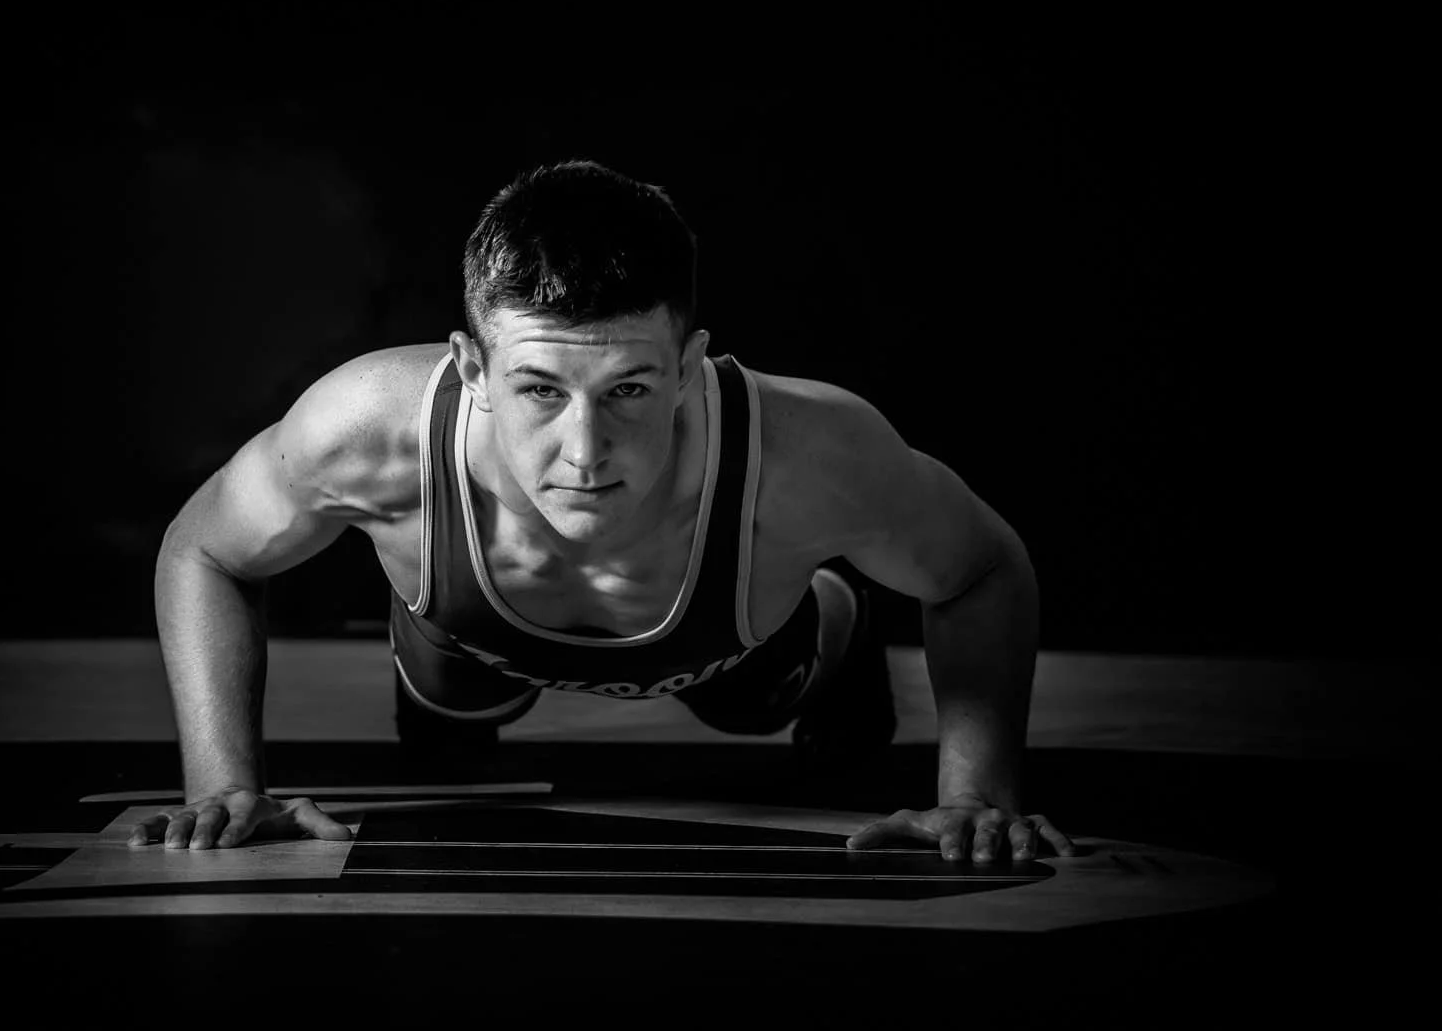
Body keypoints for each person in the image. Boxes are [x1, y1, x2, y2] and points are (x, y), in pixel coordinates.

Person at [131, 160, 1076, 865]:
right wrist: (224, 787)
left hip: (732, 637)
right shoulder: (366, 430)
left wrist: (977, 796)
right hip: (466, 635)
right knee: (452, 721)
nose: (585, 451)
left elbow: (982, 566)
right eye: (540, 389)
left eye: (628, 389)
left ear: (690, 363)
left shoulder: (807, 452)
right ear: (470, 367)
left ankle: (837, 615)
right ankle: (456, 677)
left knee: (753, 699)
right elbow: (203, 551)